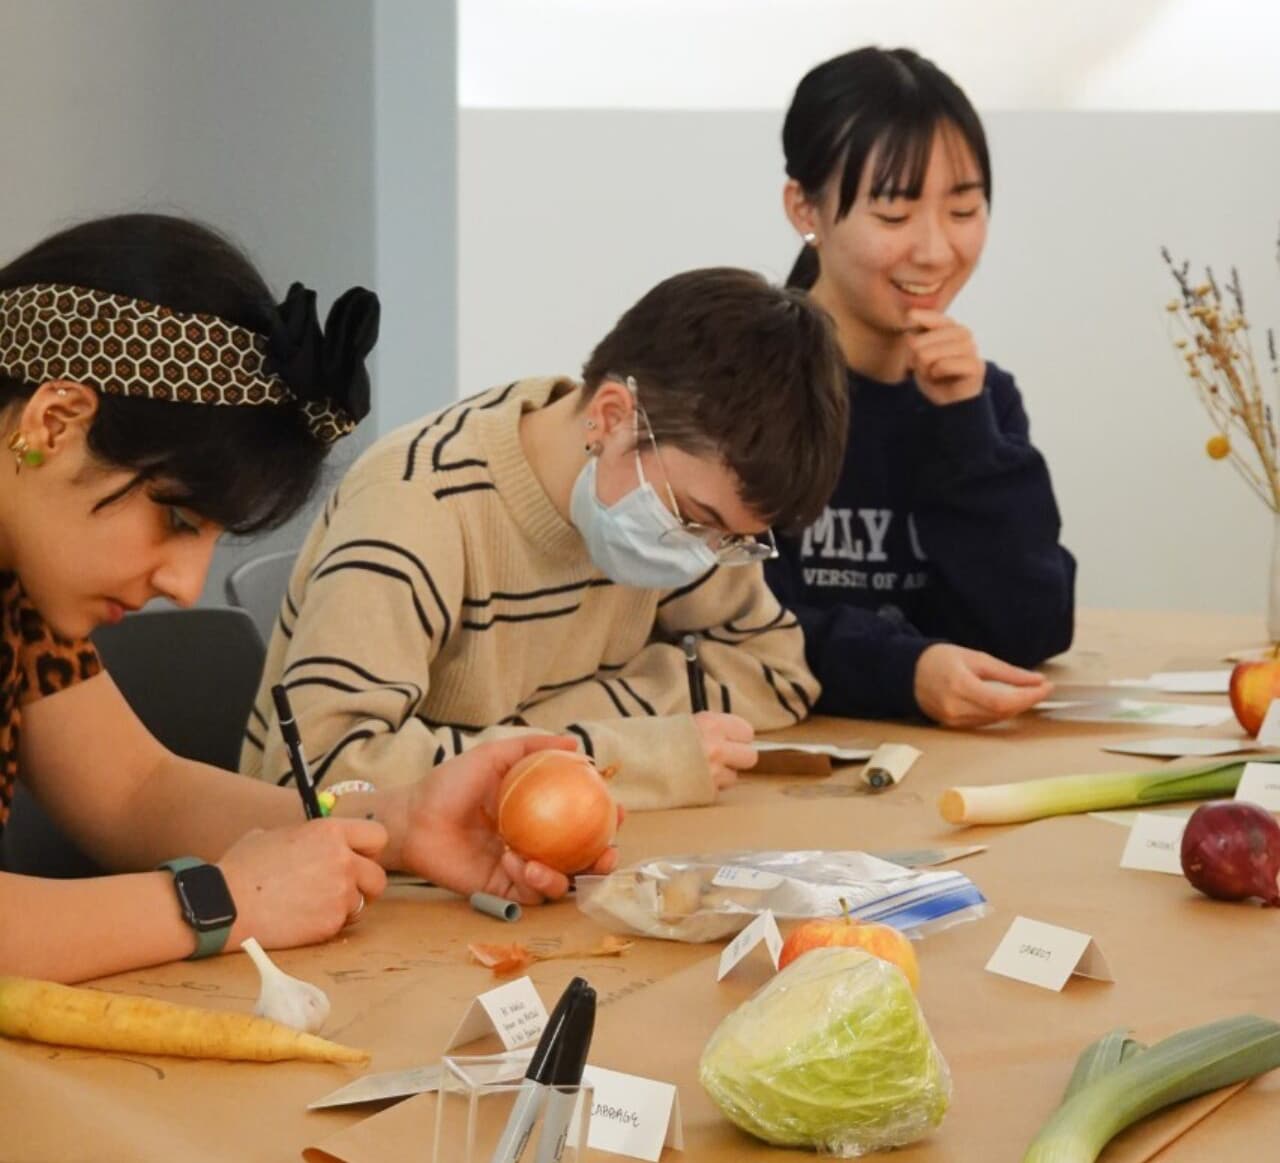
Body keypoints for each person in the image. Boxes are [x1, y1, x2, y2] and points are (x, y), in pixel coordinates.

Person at [0, 214, 610, 985]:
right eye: (176, 518)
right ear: (54, 423)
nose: (184, 584)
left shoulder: (25, 581)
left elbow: (132, 791)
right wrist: (224, 903)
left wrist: (400, 819)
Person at [240, 268, 848, 810]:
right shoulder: (416, 503)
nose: (700, 554)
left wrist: (547, 729)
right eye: (693, 518)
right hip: (359, 877)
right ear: (611, 417)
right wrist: (629, 754)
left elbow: (776, 674)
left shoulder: (681, 500)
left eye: (730, 541)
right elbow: (320, 779)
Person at [767, 46, 1076, 729]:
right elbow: (734, 628)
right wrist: (904, 671)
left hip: (954, 762)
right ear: (805, 208)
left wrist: (967, 427)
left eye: (963, 211)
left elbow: (1032, 627)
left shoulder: (981, 398)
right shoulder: (743, 387)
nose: (935, 251)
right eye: (894, 216)